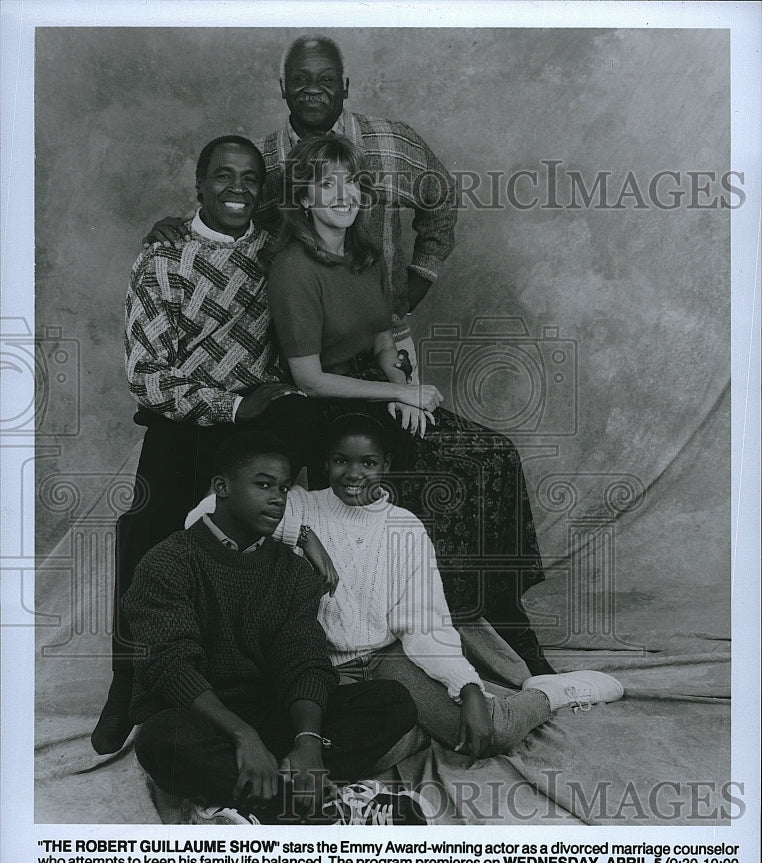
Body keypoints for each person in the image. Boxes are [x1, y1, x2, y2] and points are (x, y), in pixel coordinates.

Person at [264, 133, 558, 678]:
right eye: (327, 184)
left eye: (351, 182)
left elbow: (382, 338)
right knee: (443, 475)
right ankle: (462, 627)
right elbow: (308, 377)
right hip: (330, 405)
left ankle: (503, 607)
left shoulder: (366, 251)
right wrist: (397, 392)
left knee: (494, 453)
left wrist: (406, 386)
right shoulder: (292, 267)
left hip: (380, 387)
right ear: (303, 198)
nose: (344, 195)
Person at [187, 413, 624, 761]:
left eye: (368, 463)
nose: (353, 474)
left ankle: (549, 693)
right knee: (364, 755)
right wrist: (302, 535)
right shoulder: (298, 504)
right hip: (318, 670)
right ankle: (423, 726)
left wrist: (467, 688)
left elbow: (424, 623)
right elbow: (203, 514)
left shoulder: (405, 528)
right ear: (325, 463)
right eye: (341, 460)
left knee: (496, 733)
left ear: (387, 466)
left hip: (388, 658)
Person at [92, 134, 322, 755]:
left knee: (292, 444)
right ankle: (129, 680)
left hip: (255, 423)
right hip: (185, 417)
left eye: (250, 177)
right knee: (146, 529)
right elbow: (146, 375)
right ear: (199, 184)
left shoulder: (278, 252)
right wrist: (226, 403)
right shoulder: (163, 256)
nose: (238, 188)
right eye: (224, 176)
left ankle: (255, 675)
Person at [126, 431, 429, 825]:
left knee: (393, 702)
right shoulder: (169, 561)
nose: (278, 499)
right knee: (160, 741)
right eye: (263, 485)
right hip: (202, 718)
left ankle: (268, 791)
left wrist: (308, 743)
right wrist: (243, 737)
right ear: (222, 488)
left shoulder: (291, 569)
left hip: (271, 716)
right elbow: (170, 668)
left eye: (284, 488)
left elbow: (303, 661)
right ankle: (329, 806)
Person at [142, 33, 457, 371]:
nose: (313, 89)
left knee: (401, 417)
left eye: (326, 79)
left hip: (386, 338)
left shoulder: (391, 141)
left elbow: (443, 199)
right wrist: (179, 231)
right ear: (283, 87)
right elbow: (224, 220)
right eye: (300, 79)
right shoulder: (260, 160)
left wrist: (417, 281)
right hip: (289, 350)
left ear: (345, 86)